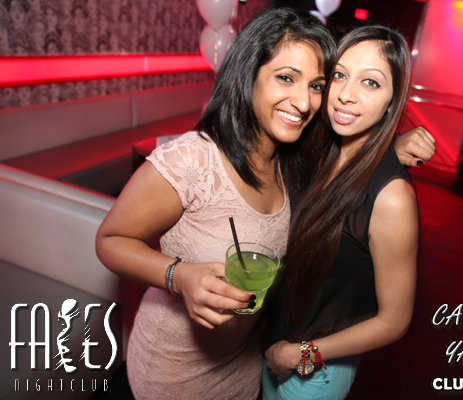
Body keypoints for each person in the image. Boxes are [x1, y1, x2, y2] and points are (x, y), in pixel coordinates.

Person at [96, 8, 432, 400]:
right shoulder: (195, 160)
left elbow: (352, 160)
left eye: (316, 85)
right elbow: (110, 239)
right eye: (286, 77)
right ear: (249, 74)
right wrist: (179, 276)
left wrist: (388, 150)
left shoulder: (294, 162)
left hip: (247, 365)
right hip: (174, 374)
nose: (303, 101)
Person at [262, 24, 420, 400]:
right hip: (272, 344)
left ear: (392, 101)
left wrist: (300, 354)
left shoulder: (392, 198)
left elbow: (395, 321)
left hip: (314, 371)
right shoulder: (317, 151)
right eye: (339, 75)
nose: (346, 95)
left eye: (371, 83)